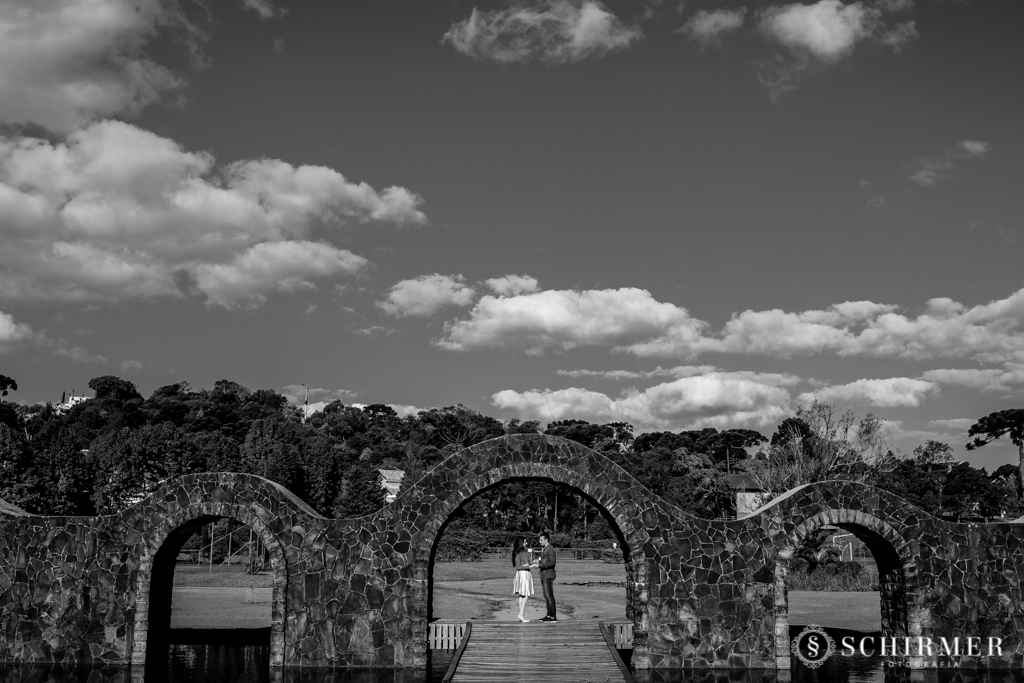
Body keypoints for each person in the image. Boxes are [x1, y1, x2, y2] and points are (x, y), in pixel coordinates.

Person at [510, 536, 535, 622]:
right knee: (526, 594)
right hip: (523, 574)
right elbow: (518, 567)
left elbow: (528, 561)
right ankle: (521, 614)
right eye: (525, 542)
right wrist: (529, 566)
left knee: (522, 595)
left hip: (525, 573)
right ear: (521, 543)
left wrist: (533, 562)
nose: (526, 543)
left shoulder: (525, 552)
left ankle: (521, 614)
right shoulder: (518, 553)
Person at [537, 530, 557, 622]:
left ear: (546, 540)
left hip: (548, 575)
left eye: (541, 540)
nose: (540, 541)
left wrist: (540, 565)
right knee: (545, 595)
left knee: (549, 595)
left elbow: (552, 563)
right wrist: (537, 562)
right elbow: (543, 561)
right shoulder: (544, 549)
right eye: (540, 540)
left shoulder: (550, 549)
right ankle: (549, 615)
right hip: (543, 575)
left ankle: (553, 616)